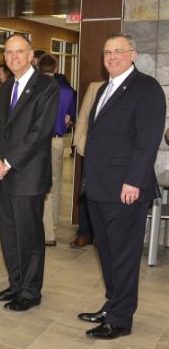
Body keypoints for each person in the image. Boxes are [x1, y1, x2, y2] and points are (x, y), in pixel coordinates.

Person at [80, 33, 165, 339]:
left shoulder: (147, 88)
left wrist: (133, 181)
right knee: (107, 252)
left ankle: (120, 319)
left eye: (119, 51)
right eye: (107, 52)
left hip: (125, 190)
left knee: (124, 256)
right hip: (99, 187)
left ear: (133, 54)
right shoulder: (105, 88)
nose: (112, 57)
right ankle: (112, 304)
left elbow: (147, 140)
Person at [0, 33, 59, 311]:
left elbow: (39, 132)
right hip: (2, 174)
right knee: (9, 234)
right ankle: (16, 284)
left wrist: (8, 162)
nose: (13, 57)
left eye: (19, 51)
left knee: (29, 236)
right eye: (8, 52)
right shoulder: (6, 87)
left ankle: (30, 291)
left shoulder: (47, 86)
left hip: (27, 175)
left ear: (31, 56)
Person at [38, 54, 76, 247]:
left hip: (37, 142)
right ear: (56, 68)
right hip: (57, 141)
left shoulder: (34, 88)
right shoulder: (67, 92)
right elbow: (70, 117)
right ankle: (51, 228)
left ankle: (43, 230)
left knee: (40, 185)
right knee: (55, 185)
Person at [70, 80, 104, 248]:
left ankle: (102, 234)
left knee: (106, 194)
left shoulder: (133, 88)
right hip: (90, 149)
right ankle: (84, 232)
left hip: (116, 154)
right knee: (85, 191)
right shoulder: (95, 87)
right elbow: (83, 115)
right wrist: (77, 142)